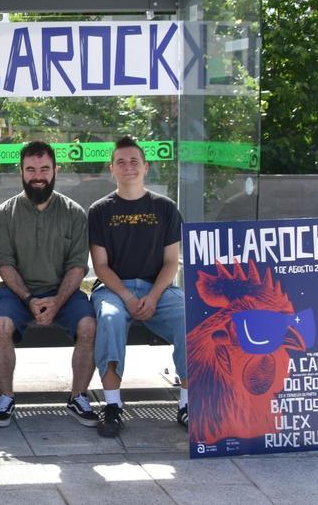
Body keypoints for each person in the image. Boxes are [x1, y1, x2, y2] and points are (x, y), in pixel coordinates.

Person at [0, 141, 97, 428]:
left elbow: (77, 266)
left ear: (55, 170)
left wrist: (58, 302)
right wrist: (28, 299)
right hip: (17, 292)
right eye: (31, 169)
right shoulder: (2, 214)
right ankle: (6, 398)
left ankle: (78, 396)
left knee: (89, 326)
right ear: (21, 172)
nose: (38, 175)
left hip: (64, 291)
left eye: (45, 168)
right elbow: (4, 265)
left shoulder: (74, 213)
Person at [88, 136, 187, 437]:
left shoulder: (166, 208)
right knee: (109, 319)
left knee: (190, 317)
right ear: (111, 169)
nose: (128, 167)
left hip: (158, 289)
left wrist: (154, 296)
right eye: (121, 162)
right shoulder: (99, 211)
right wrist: (129, 297)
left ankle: (188, 403)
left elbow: (172, 261)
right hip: (114, 291)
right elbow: (101, 266)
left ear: (146, 167)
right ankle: (113, 405)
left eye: (134, 161)